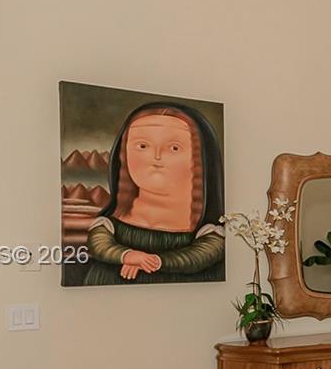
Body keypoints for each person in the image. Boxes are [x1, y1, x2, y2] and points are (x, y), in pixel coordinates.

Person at [82, 103, 226, 285]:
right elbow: (99, 244)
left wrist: (153, 261)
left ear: (200, 159)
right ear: (123, 154)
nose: (156, 157)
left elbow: (204, 254)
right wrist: (127, 255)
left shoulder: (209, 231)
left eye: (174, 148)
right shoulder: (109, 224)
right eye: (142, 146)